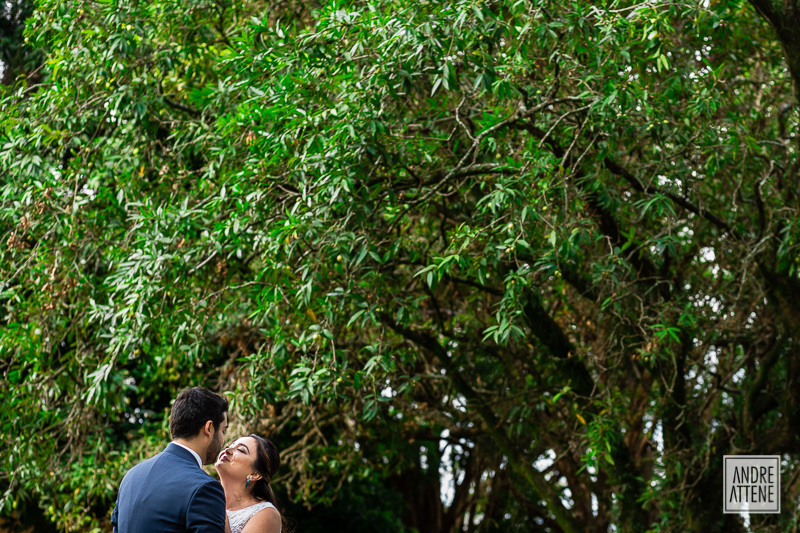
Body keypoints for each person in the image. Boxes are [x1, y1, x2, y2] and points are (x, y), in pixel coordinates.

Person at [111, 386, 229, 533]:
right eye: (222, 430)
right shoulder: (204, 488)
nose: (223, 440)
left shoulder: (131, 476)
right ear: (209, 428)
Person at [215, 434, 283, 533]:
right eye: (230, 446)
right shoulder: (203, 494)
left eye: (241, 450)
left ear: (255, 474)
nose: (227, 450)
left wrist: (217, 506)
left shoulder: (266, 514)